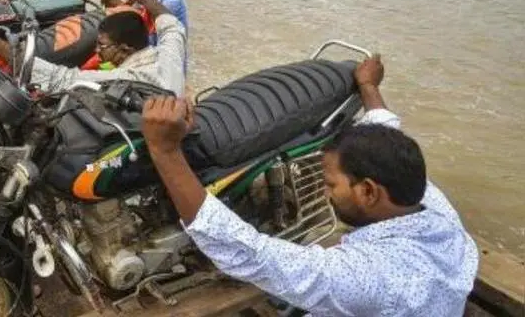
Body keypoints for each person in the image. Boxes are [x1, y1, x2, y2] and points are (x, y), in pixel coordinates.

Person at [139, 56, 479, 316]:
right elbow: (388, 129)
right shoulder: (435, 209)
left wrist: (165, 151)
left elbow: (250, 254)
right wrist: (369, 86)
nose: (326, 192)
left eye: (331, 184)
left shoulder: (365, 278)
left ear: (368, 191)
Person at [0, 0, 187, 96]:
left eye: (102, 46)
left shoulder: (124, 80)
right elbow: (172, 25)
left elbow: (56, 77)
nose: (97, 50)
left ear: (125, 49)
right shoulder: (169, 56)